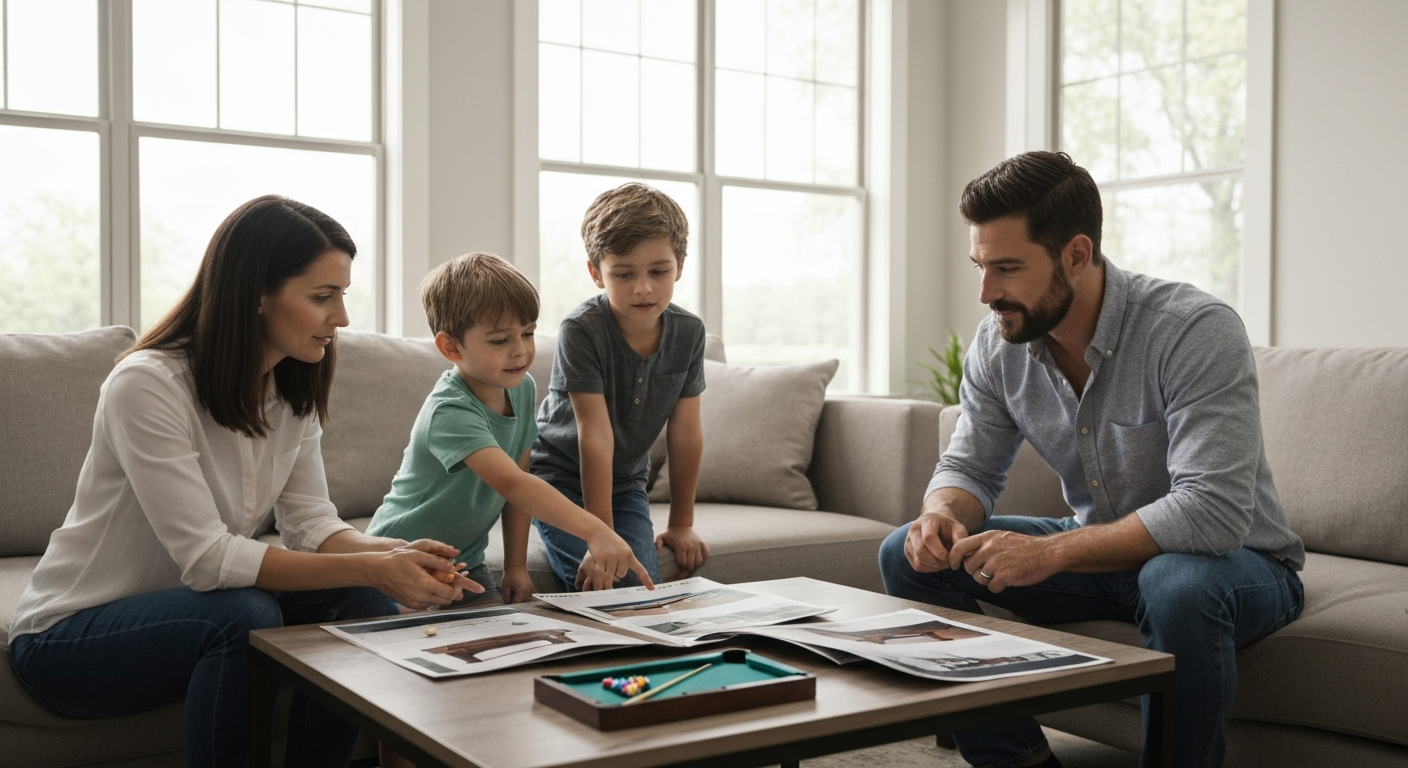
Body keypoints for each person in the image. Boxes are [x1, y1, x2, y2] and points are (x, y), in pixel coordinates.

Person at [8, 195, 478, 768]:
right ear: (256, 293)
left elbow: (310, 524)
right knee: (243, 613)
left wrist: (394, 556)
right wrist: (370, 565)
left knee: (362, 600)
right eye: (322, 296)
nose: (342, 318)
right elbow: (208, 559)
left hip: (193, 616)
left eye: (343, 295)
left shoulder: (290, 388)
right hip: (70, 640)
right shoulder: (148, 385)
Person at [878, 152, 1305, 768]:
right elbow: (970, 467)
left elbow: (1211, 512)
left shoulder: (1192, 330)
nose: (986, 293)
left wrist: (1050, 554)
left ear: (1077, 255)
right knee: (906, 554)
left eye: (1007, 268)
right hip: (1102, 555)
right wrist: (942, 514)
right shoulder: (1000, 344)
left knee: (1173, 583)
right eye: (980, 266)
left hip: (1234, 564)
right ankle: (1018, 763)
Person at [365, 252, 655, 607]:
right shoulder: (450, 410)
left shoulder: (521, 388)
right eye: (501, 340)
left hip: (464, 564)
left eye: (527, 333)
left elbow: (520, 477)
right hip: (400, 558)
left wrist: (516, 566)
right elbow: (512, 483)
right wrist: (597, 531)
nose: (520, 351)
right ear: (450, 347)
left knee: (505, 630)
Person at [531, 182, 711, 591]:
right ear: (597, 273)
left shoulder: (689, 332)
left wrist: (682, 524)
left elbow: (685, 433)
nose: (643, 288)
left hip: (626, 483)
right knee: (607, 585)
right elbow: (594, 435)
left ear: (680, 266)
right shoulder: (582, 330)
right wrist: (601, 536)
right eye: (624, 274)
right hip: (556, 481)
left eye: (659, 272)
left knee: (640, 588)